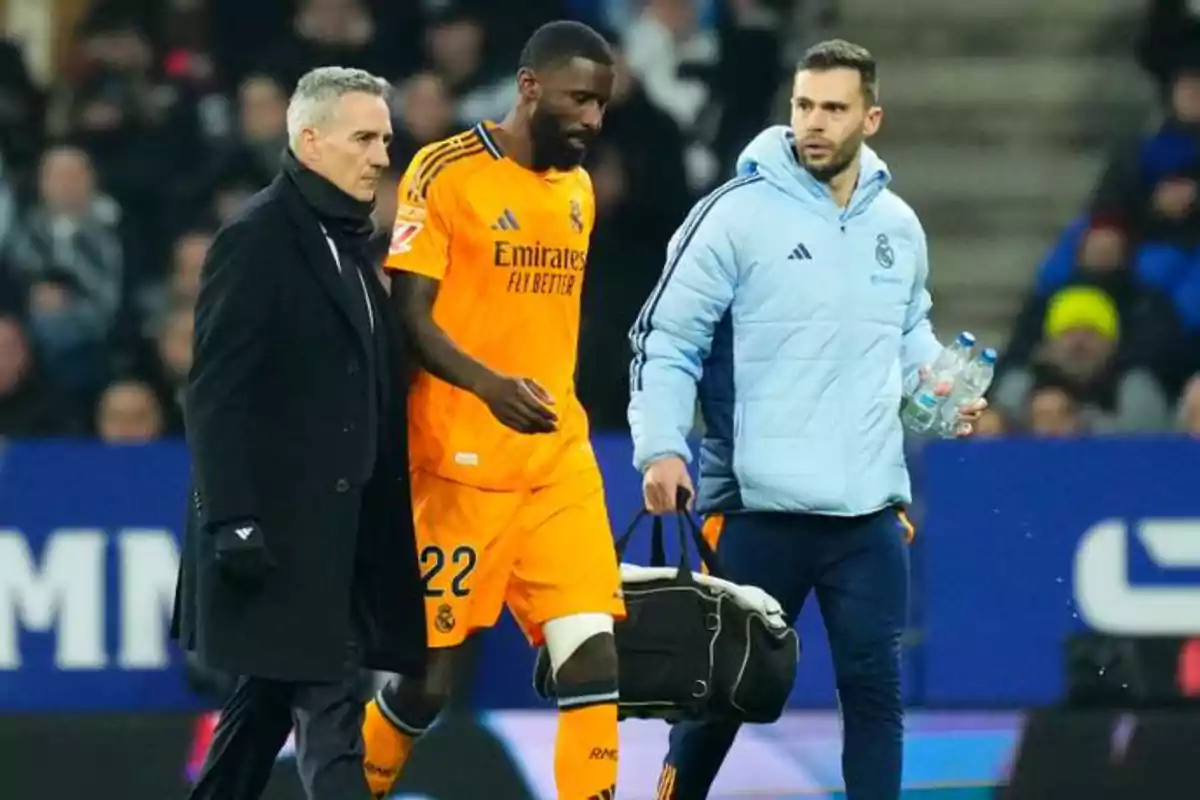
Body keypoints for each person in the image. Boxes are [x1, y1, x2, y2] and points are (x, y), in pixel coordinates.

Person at [628, 40, 986, 799]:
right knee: (718, 697)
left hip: (869, 515)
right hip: (761, 510)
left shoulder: (899, 224)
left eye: (833, 108)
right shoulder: (733, 214)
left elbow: (907, 329)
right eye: (803, 106)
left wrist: (941, 387)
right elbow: (665, 339)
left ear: (872, 118)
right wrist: (660, 446)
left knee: (874, 695)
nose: (813, 124)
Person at [358, 20, 624, 800]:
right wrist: (491, 386)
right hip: (456, 464)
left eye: (602, 105)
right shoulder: (444, 171)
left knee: (595, 661)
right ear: (529, 85)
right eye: (579, 100)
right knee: (425, 689)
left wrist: (532, 397)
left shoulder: (577, 191)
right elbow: (410, 317)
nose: (592, 120)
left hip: (555, 461)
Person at [171, 66, 426, 800]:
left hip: (338, 537)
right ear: (310, 142)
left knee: (262, 713)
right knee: (330, 715)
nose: (382, 154)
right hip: (281, 539)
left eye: (385, 136)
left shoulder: (345, 242)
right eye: (365, 138)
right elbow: (216, 394)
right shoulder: (258, 238)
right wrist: (234, 521)